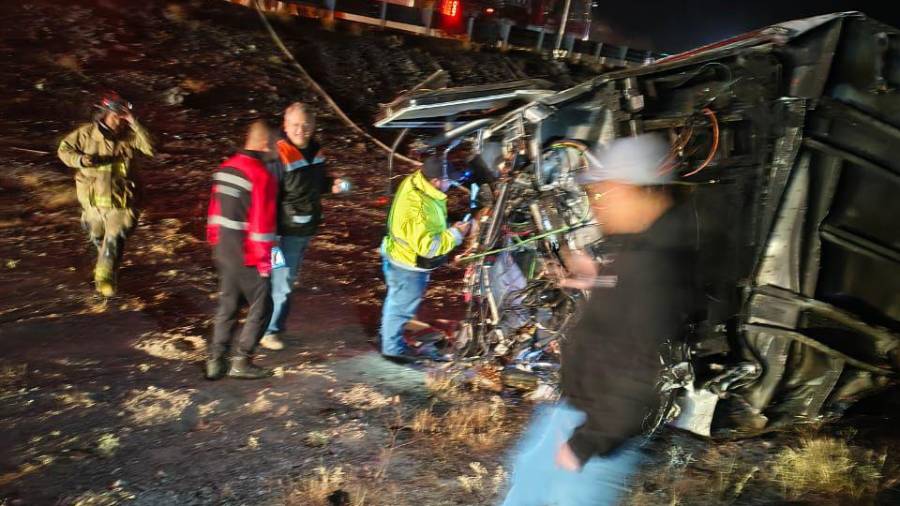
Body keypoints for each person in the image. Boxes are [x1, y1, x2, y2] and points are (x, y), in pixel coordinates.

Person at [500, 134, 699, 505]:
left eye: (606, 193)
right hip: (576, 410)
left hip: (598, 430)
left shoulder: (655, 268)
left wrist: (586, 443)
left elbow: (645, 370)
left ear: (638, 191)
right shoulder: (643, 247)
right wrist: (600, 278)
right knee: (526, 480)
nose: (598, 205)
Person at [260, 102, 350, 351]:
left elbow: (311, 184)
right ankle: (268, 331)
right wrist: (271, 234)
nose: (302, 130)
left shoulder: (316, 151)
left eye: (306, 125)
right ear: (285, 126)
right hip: (281, 232)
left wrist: (330, 185)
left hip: (301, 230)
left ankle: (269, 327)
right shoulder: (278, 155)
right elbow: (267, 196)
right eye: (296, 125)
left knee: (285, 280)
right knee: (281, 281)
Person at [57, 92, 154, 297]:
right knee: (98, 237)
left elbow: (151, 148)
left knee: (114, 239)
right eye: (114, 115)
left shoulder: (130, 136)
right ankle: (107, 265)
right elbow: (64, 150)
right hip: (93, 202)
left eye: (122, 116)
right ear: (103, 114)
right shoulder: (85, 134)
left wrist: (134, 122)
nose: (118, 120)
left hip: (123, 202)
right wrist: (81, 160)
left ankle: (104, 280)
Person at [205, 121, 278, 380]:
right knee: (263, 305)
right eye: (276, 143)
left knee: (229, 304)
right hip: (247, 253)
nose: (278, 149)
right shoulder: (261, 176)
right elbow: (262, 226)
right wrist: (267, 264)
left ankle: (216, 361)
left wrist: (215, 241)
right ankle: (242, 361)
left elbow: (214, 212)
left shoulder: (225, 168)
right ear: (265, 143)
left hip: (223, 248)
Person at [380, 156, 471, 361]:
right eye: (449, 180)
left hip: (399, 255)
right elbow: (428, 248)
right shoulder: (418, 207)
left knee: (397, 303)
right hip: (407, 264)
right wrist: (455, 235)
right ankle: (392, 350)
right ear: (436, 181)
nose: (452, 184)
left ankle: (392, 341)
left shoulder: (418, 181)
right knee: (400, 307)